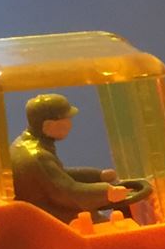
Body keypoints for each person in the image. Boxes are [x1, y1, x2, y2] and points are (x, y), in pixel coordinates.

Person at [8, 93, 148, 222]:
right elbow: (68, 193)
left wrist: (98, 176)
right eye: (66, 120)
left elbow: (58, 176)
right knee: (109, 229)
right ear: (49, 125)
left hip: (43, 210)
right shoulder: (38, 156)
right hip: (51, 218)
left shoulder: (26, 144)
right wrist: (107, 192)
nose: (70, 124)